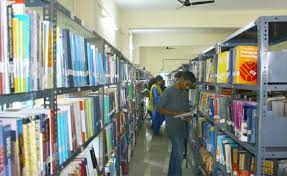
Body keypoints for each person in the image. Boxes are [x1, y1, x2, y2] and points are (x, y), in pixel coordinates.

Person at [157, 71, 196, 176]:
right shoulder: (169, 91)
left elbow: (185, 109)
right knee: (179, 155)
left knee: (175, 154)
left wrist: (188, 115)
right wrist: (175, 113)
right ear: (182, 80)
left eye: (189, 85)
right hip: (172, 129)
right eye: (187, 84)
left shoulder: (184, 92)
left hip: (182, 128)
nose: (188, 87)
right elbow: (159, 108)